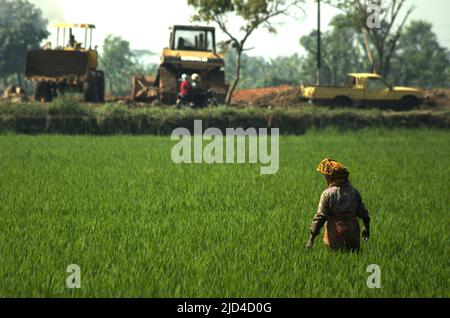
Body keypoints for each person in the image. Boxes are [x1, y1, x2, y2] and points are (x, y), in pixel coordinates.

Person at [306, 158, 371, 252]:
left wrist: (310, 239)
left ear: (331, 177)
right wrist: (367, 229)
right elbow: (365, 214)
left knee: (335, 261)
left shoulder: (327, 193)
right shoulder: (354, 192)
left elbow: (320, 217)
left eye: (326, 176)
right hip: (353, 236)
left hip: (335, 237)